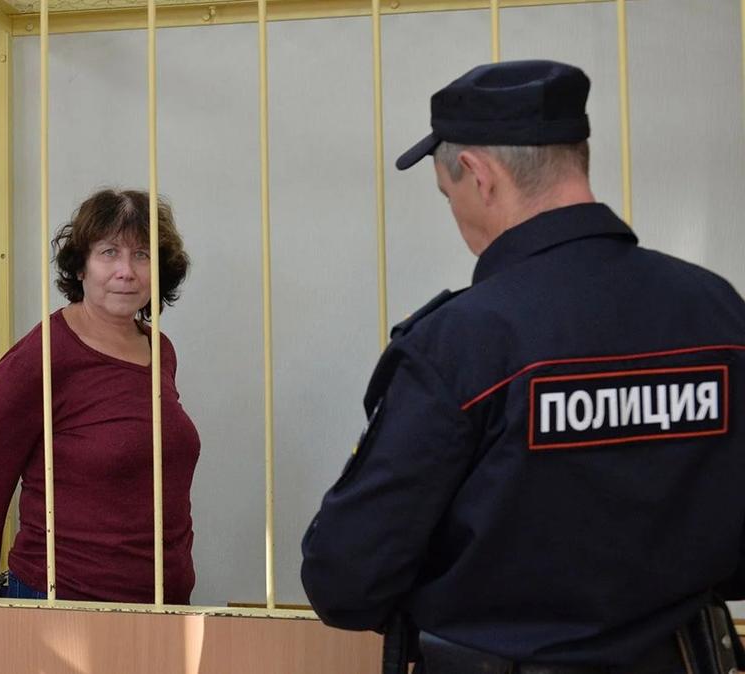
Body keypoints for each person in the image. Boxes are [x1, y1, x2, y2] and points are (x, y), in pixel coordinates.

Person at [301, 60, 745, 672]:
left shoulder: (463, 344)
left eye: (448, 194)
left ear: (480, 175)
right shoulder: (718, 313)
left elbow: (347, 579)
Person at [0, 188, 200, 603]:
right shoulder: (44, 354)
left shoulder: (159, 349)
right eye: (109, 252)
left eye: (142, 255)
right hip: (65, 602)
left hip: (163, 603)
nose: (126, 271)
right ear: (81, 266)